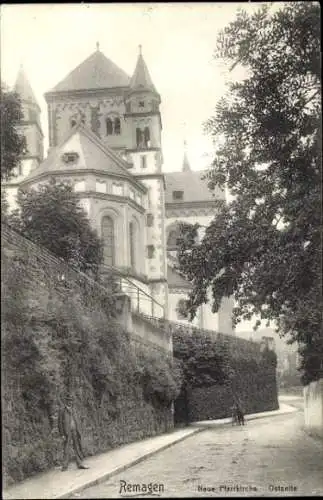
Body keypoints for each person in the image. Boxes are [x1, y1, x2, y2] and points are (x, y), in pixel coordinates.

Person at [58, 395, 89, 471]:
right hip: (67, 433)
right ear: (66, 402)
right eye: (69, 401)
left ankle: (80, 464)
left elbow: (77, 420)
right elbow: (60, 424)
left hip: (75, 431)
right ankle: (64, 466)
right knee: (66, 449)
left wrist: (79, 430)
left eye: (71, 401)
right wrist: (62, 434)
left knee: (77, 447)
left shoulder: (74, 410)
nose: (70, 402)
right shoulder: (62, 411)